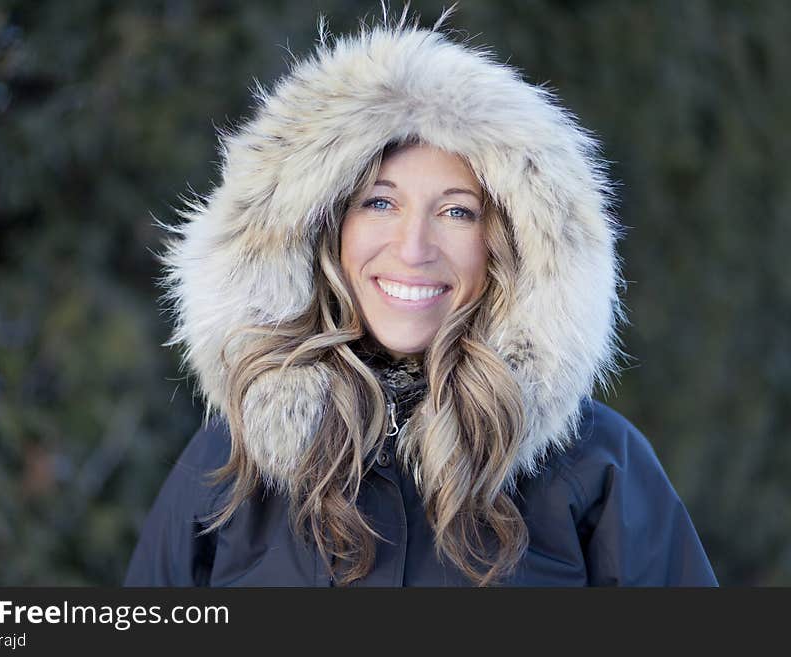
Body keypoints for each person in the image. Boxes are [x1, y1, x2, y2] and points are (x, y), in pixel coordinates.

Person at [124, 6, 718, 586]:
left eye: (457, 212)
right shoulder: (228, 465)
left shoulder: (598, 468)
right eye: (380, 202)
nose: (413, 248)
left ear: (506, 243)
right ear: (324, 227)